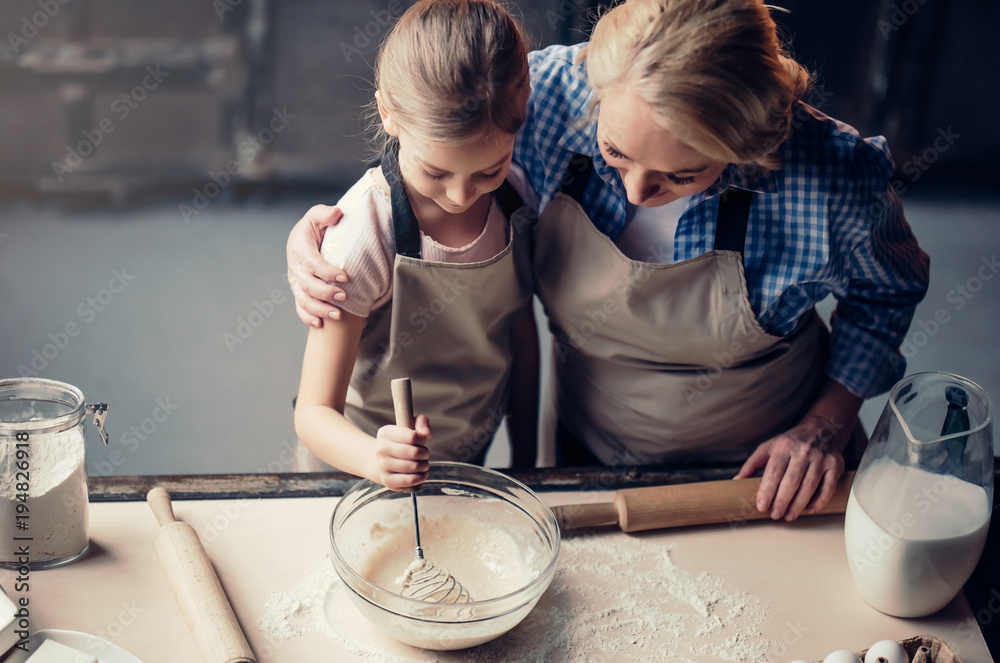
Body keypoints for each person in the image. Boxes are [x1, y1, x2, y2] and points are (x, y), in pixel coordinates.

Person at [288, 0, 929, 517]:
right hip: (587, 445)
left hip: (762, 468)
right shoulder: (544, 98)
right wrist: (325, 233)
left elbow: (887, 293)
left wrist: (826, 423)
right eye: (614, 154)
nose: (636, 192)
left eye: (681, 175)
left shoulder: (833, 178)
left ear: (750, 142)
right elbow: (432, 135)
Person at [293, 0, 539, 491]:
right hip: (357, 465)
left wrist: (530, 460)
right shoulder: (365, 233)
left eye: (488, 170)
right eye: (435, 172)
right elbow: (314, 413)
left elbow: (520, 332)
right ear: (388, 113)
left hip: (471, 446)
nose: (461, 194)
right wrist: (375, 457)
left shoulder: (519, 198)